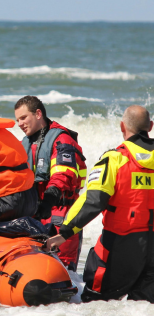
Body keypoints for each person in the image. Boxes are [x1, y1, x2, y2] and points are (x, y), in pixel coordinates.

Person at [46, 105, 154, 302]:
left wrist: (64, 232)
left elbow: (93, 201)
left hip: (119, 246)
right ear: (151, 126)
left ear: (122, 126)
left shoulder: (115, 159)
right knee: (143, 307)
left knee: (96, 303)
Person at [14, 95, 87, 271]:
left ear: (38, 114)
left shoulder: (62, 139)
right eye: (17, 120)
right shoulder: (25, 143)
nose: (20, 124)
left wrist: (48, 201)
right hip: (36, 216)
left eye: (23, 118)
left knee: (62, 271)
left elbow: (64, 175)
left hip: (61, 216)